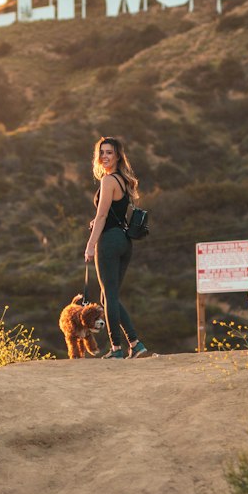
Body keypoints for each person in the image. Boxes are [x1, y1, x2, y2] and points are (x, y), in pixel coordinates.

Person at [84, 136, 151, 359]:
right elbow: (113, 214)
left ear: (118, 155)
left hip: (109, 242)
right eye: (101, 152)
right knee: (108, 297)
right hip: (124, 242)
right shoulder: (124, 180)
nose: (104, 156)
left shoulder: (108, 181)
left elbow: (102, 215)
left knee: (109, 296)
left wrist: (91, 244)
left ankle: (116, 348)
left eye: (109, 152)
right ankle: (136, 343)